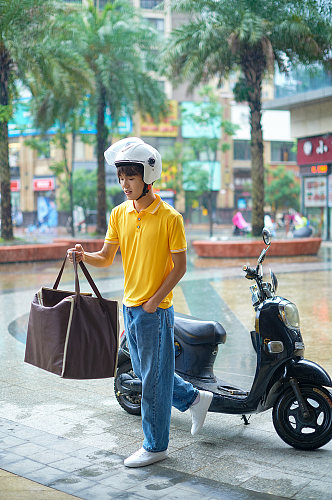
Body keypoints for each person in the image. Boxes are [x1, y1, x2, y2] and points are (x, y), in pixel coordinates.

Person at [67, 137, 213, 468]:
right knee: (152, 373)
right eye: (120, 178)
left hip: (155, 311)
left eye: (130, 177)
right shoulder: (119, 214)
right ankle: (195, 399)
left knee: (152, 380)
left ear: (148, 177)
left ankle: (155, 445)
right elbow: (106, 257)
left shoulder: (170, 218)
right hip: (130, 308)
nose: (124, 185)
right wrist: (83, 256)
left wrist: (153, 302)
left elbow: (180, 267)